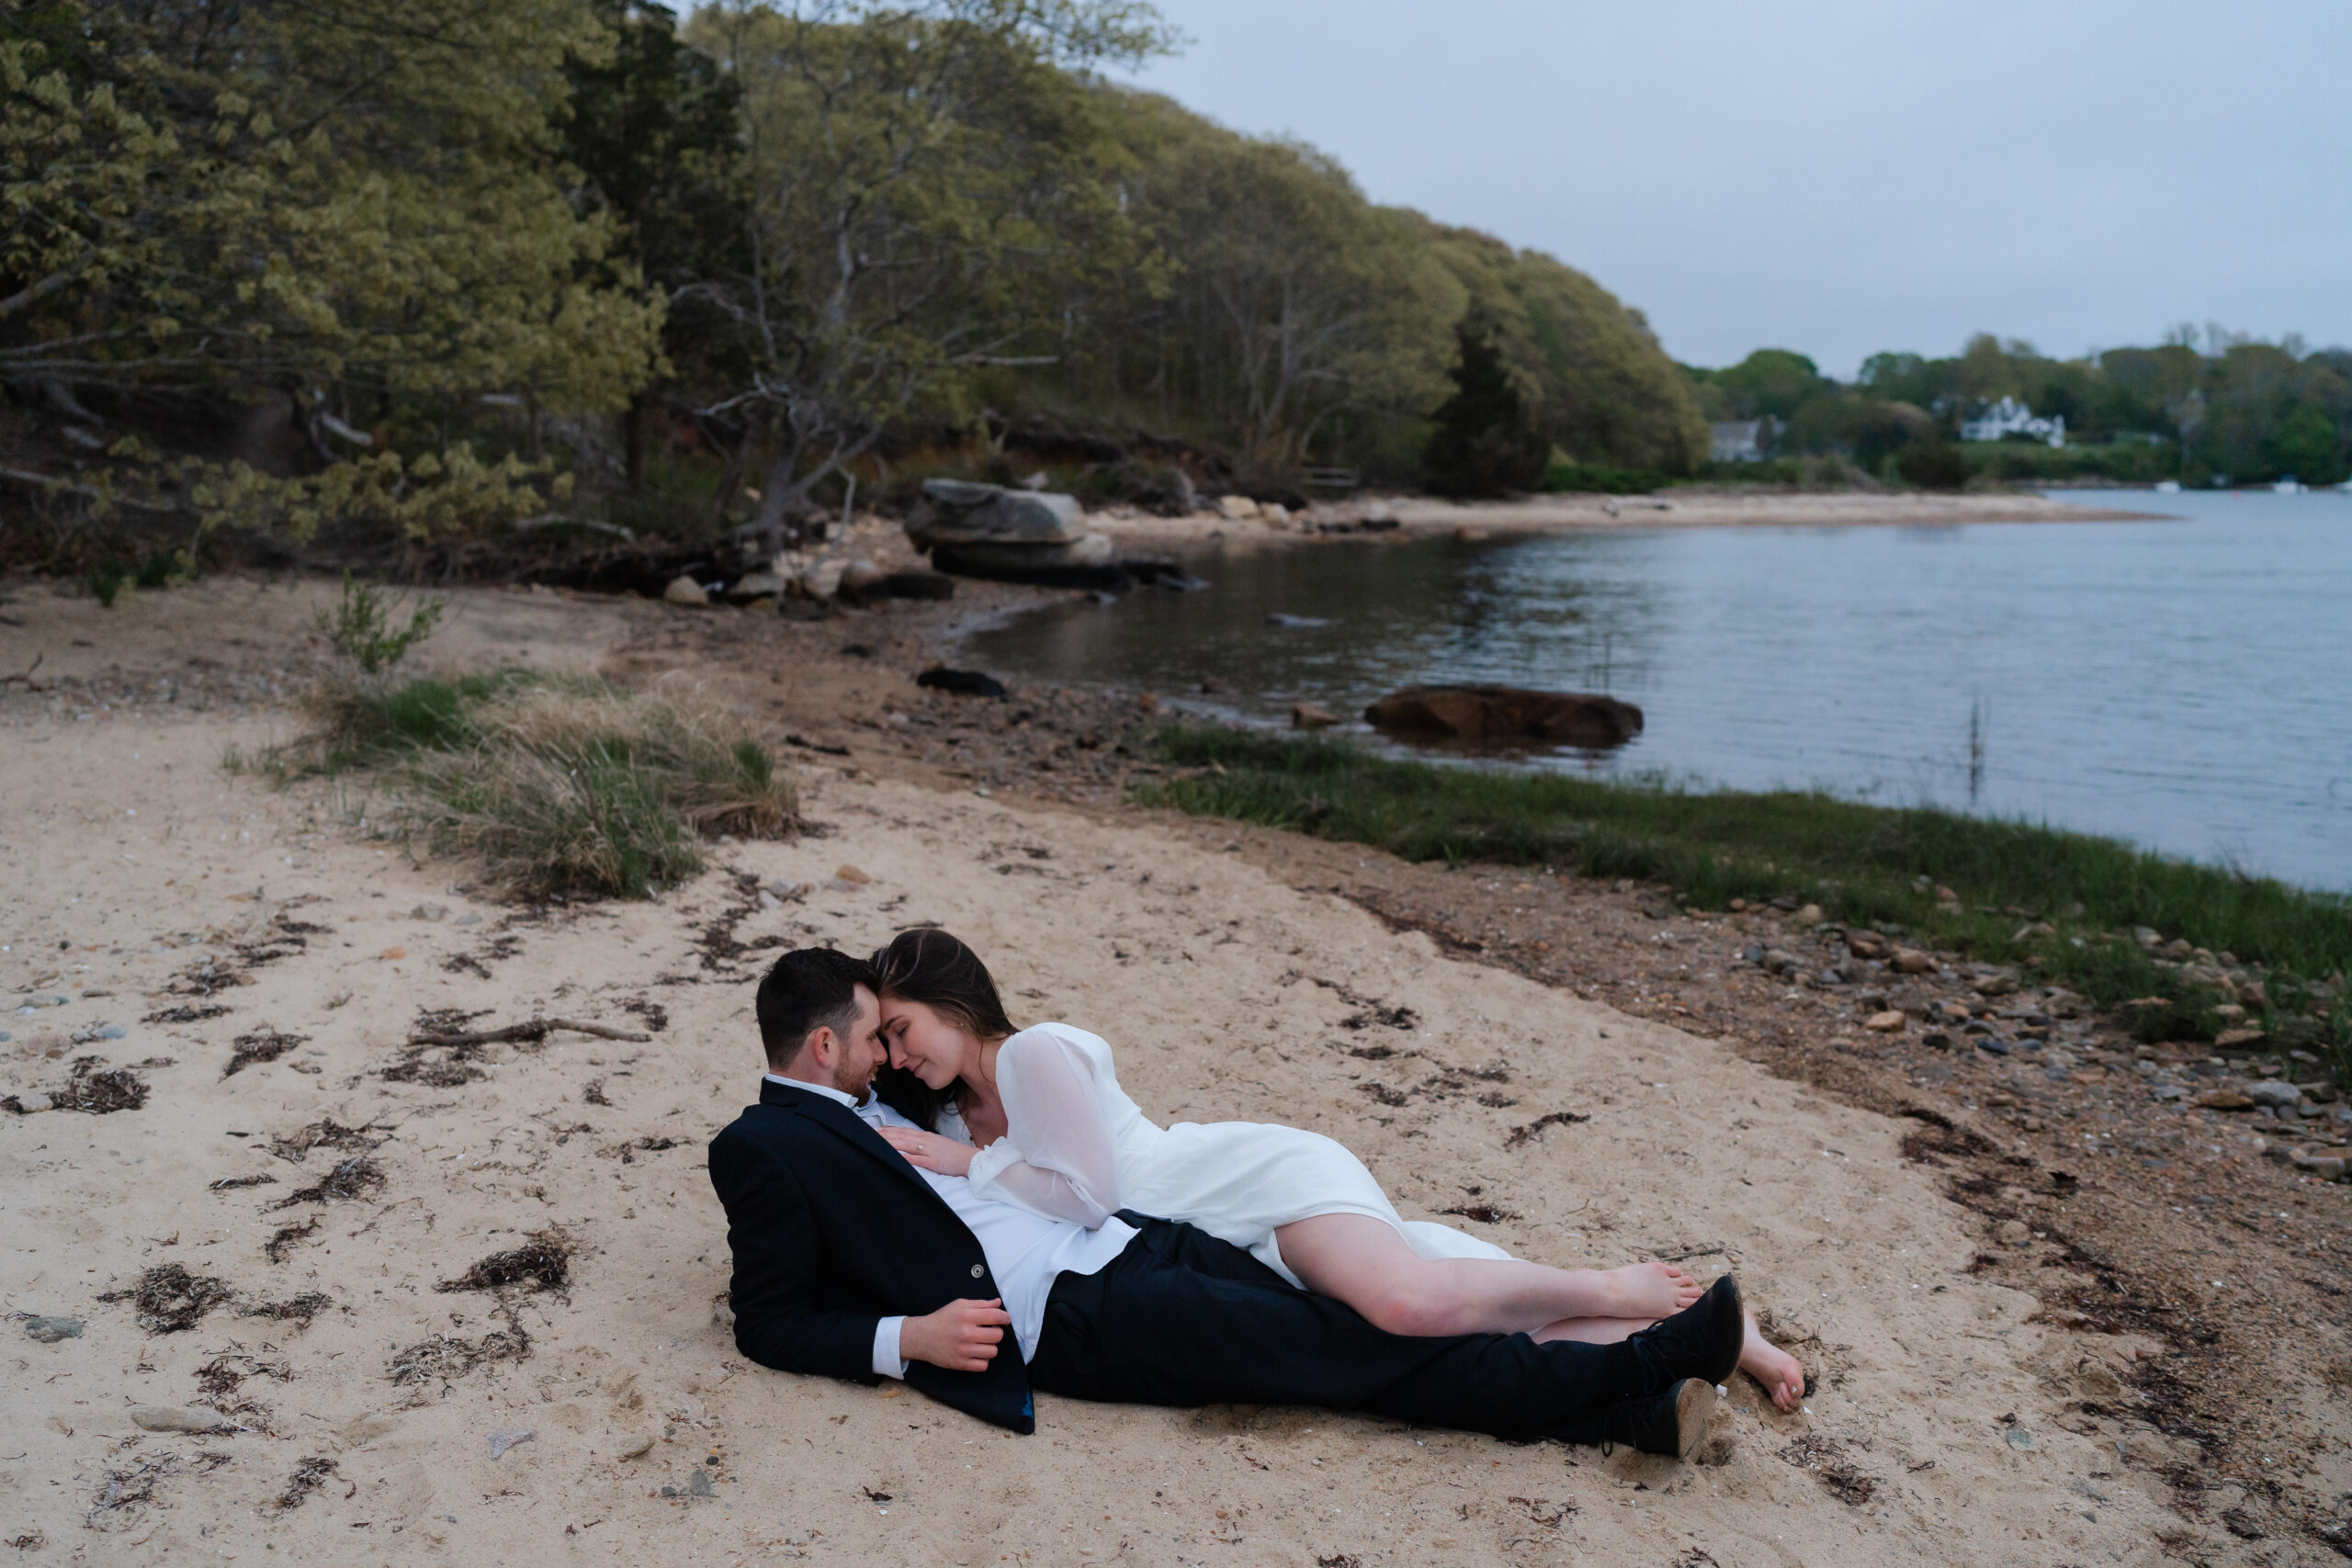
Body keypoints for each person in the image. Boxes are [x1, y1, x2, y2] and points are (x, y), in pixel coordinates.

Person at [707, 947, 1749, 1458]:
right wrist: (910, 1338)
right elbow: (768, 1319)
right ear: (828, 1046)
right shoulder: (764, 1145)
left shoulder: (893, 1092)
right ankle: (1637, 1372)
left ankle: (1637, 1410)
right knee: (1355, 1357)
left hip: (1139, 1240)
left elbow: (966, 1065)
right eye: (872, 1040)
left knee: (1350, 1324)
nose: (890, 1058)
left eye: (897, 1039)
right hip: (1070, 1313)